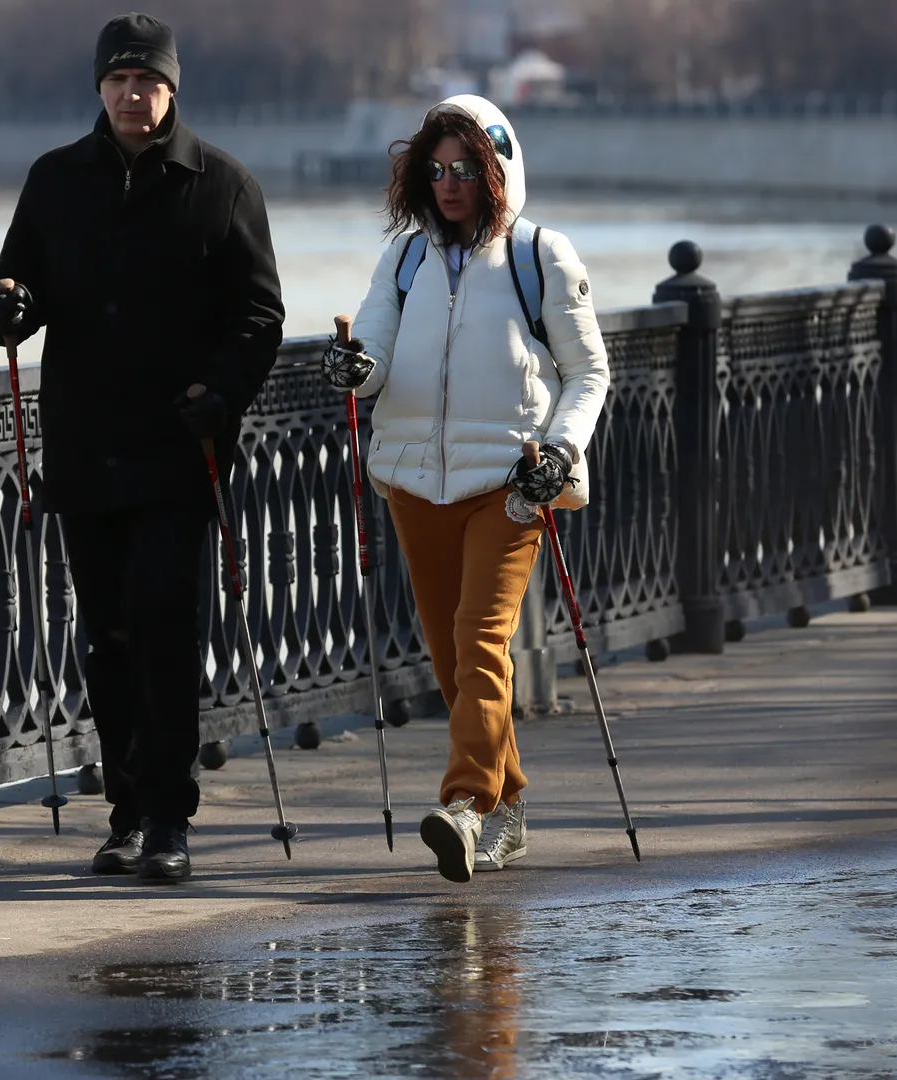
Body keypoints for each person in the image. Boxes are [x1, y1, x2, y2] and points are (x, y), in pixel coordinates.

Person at [0, 12, 284, 882]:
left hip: (176, 450)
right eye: (116, 80)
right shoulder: (55, 179)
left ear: (170, 89)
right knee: (105, 637)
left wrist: (220, 394)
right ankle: (121, 811)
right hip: (84, 444)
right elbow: (18, 286)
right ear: (98, 87)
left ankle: (168, 820)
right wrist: (5, 306)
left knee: (163, 623)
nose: (129, 94)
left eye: (145, 81)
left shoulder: (222, 185)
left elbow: (260, 317)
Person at [323, 96, 609, 883]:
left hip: (510, 483)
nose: (449, 185)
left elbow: (589, 373)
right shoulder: (406, 259)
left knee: (482, 639)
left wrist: (558, 452)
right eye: (437, 170)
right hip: (415, 479)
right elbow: (374, 353)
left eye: (465, 170)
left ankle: (464, 806)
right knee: (451, 656)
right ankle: (509, 805)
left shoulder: (541, 254)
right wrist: (354, 368)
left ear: (498, 171)